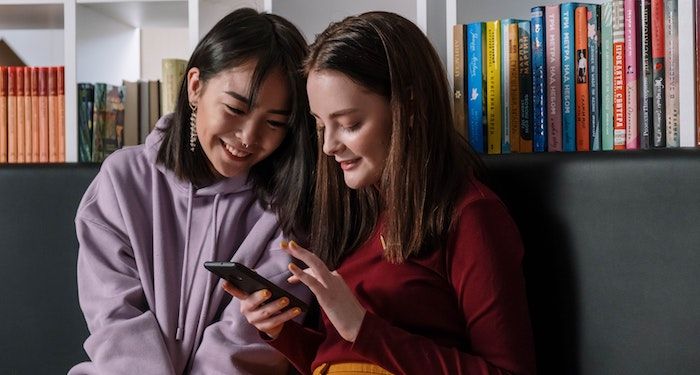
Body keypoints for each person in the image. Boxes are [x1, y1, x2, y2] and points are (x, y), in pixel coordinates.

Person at [225, 11, 536, 375]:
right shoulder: (356, 213)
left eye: (350, 124)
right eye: (320, 125)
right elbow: (345, 356)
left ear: (410, 109)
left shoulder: (471, 216)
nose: (328, 146)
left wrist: (362, 328)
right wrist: (279, 331)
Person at [70, 8, 316, 375]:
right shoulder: (122, 180)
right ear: (195, 86)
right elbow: (114, 319)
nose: (248, 137)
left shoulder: (291, 205)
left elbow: (245, 343)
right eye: (235, 109)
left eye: (274, 123)